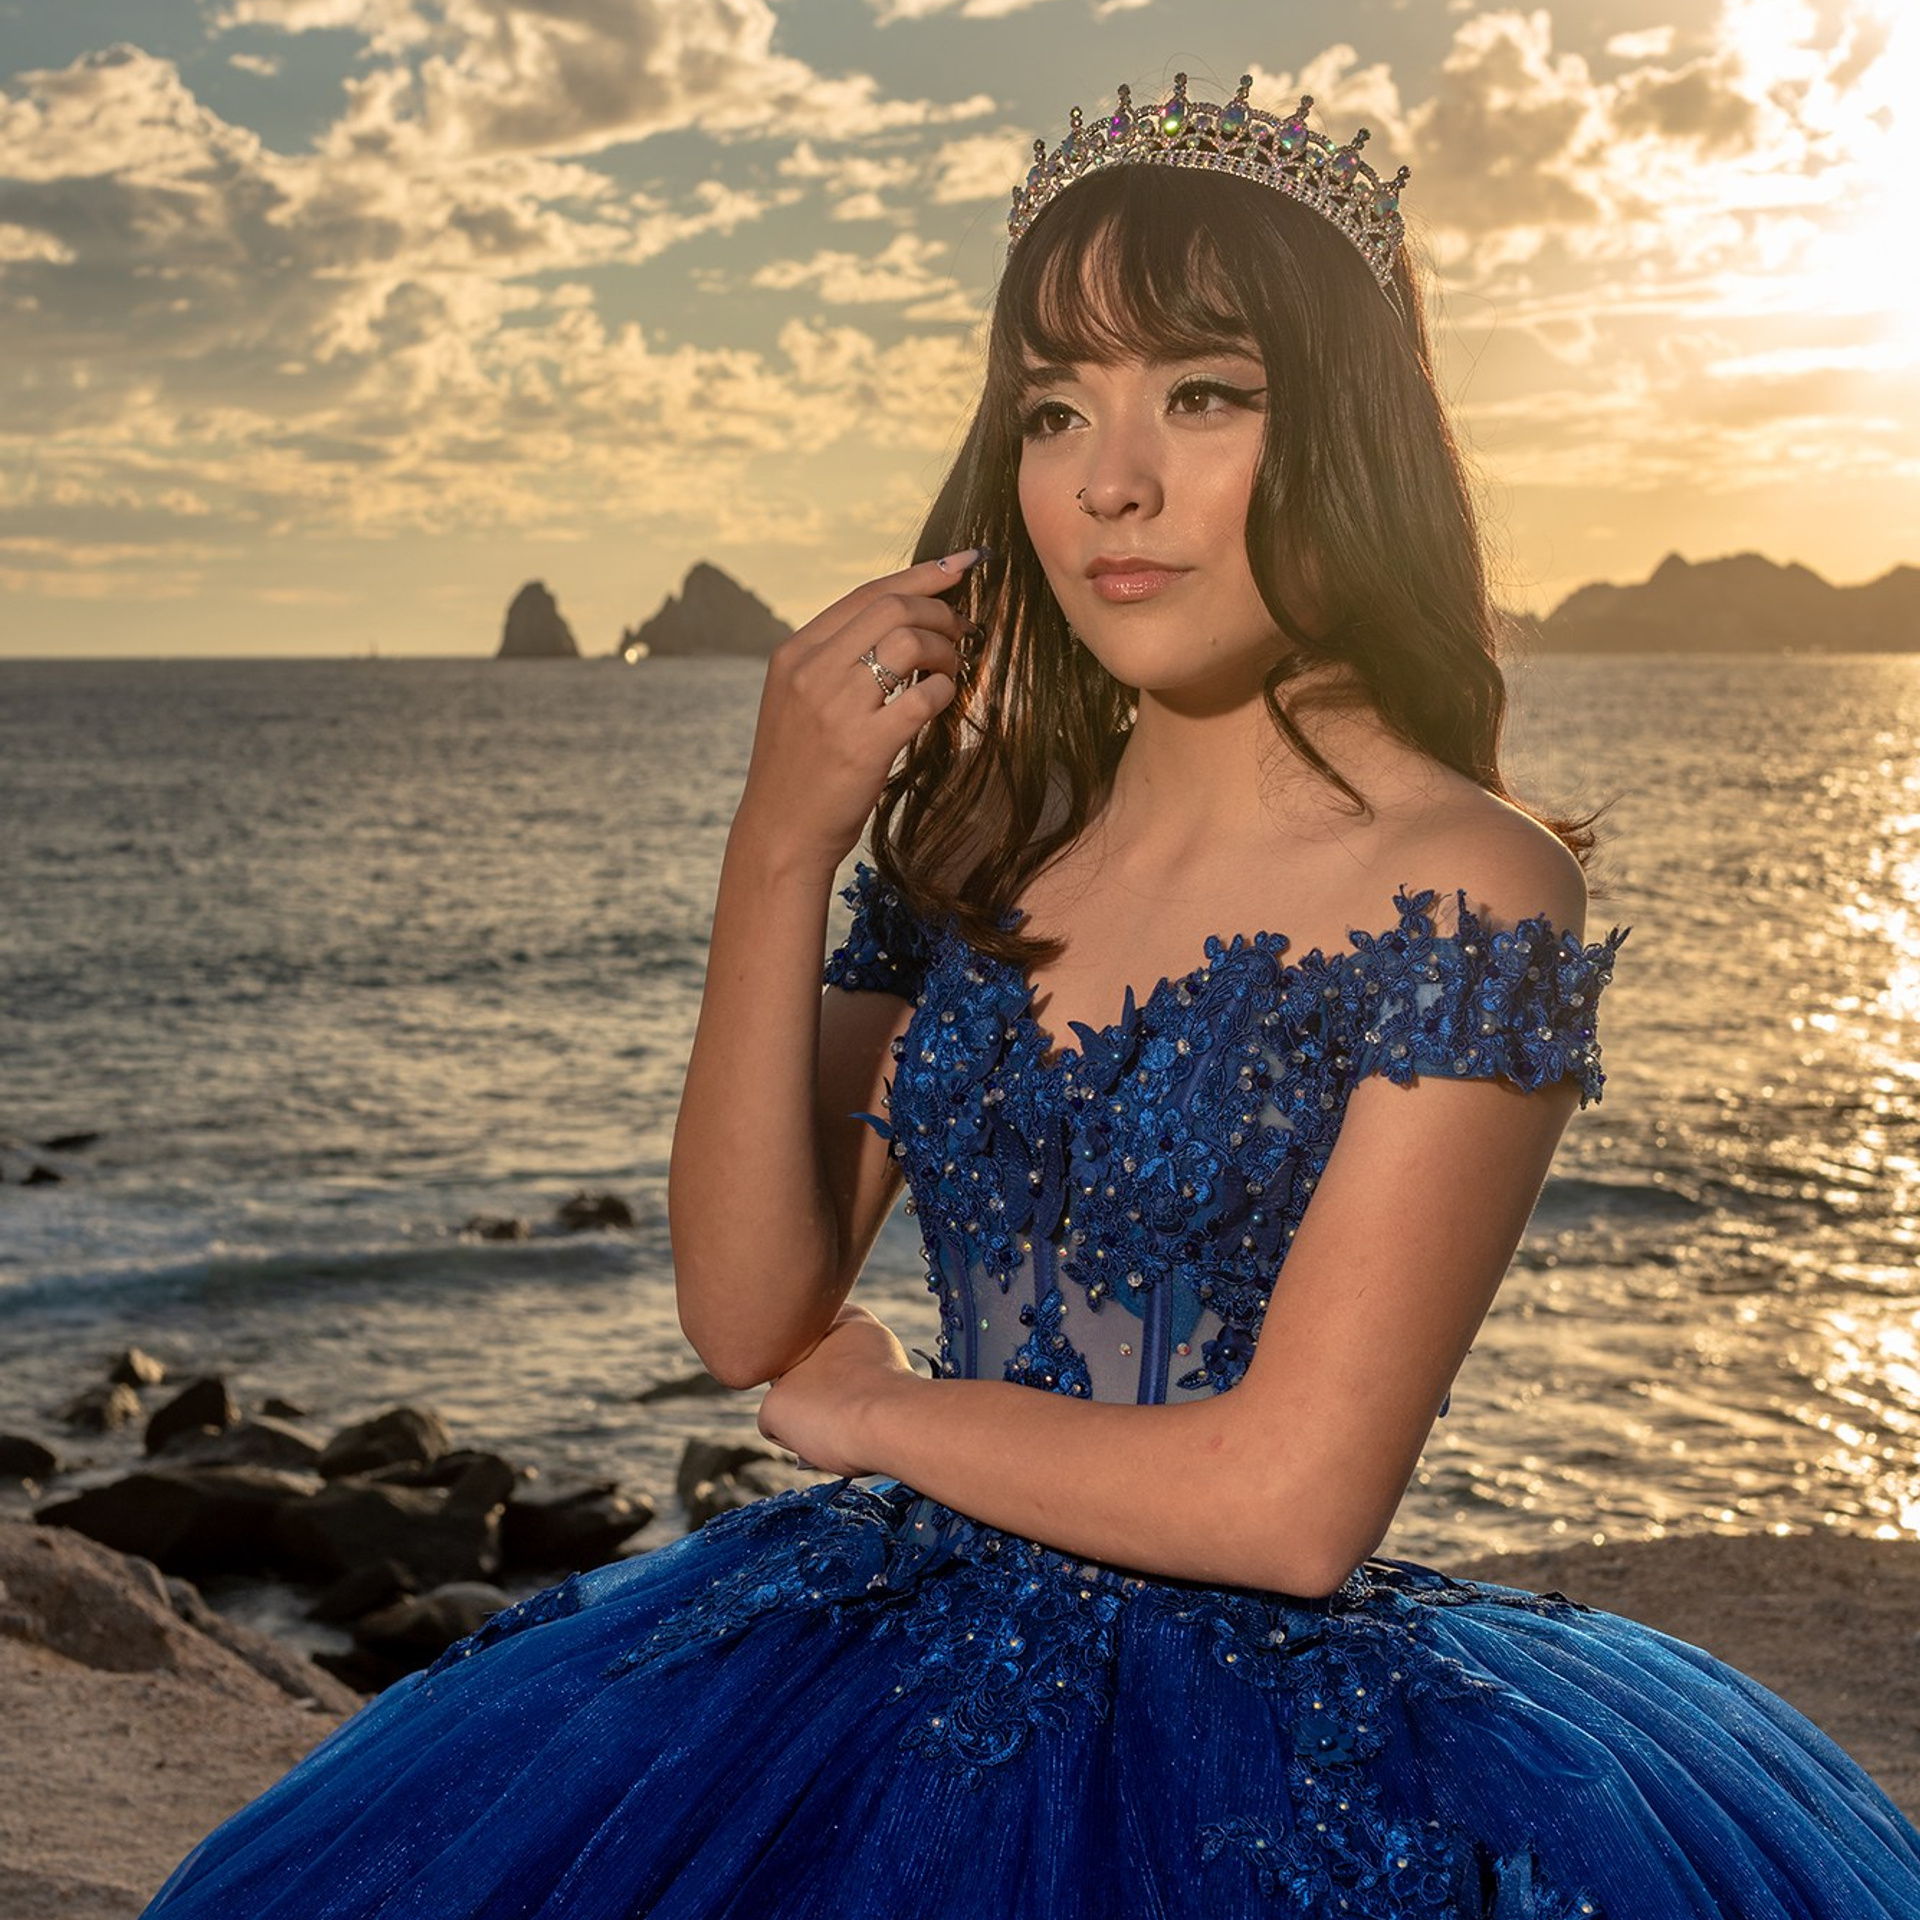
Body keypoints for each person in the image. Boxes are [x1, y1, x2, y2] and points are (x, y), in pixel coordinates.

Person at [142, 72, 1920, 1920]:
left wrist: (882, 1416)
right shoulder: (981, 856)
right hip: (872, 1660)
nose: (1113, 482)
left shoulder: (1469, 889)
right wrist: (782, 844)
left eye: (1206, 396)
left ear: (1350, 438)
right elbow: (753, 1305)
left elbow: (1294, 1508)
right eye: (1056, 409)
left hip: (1249, 1719)